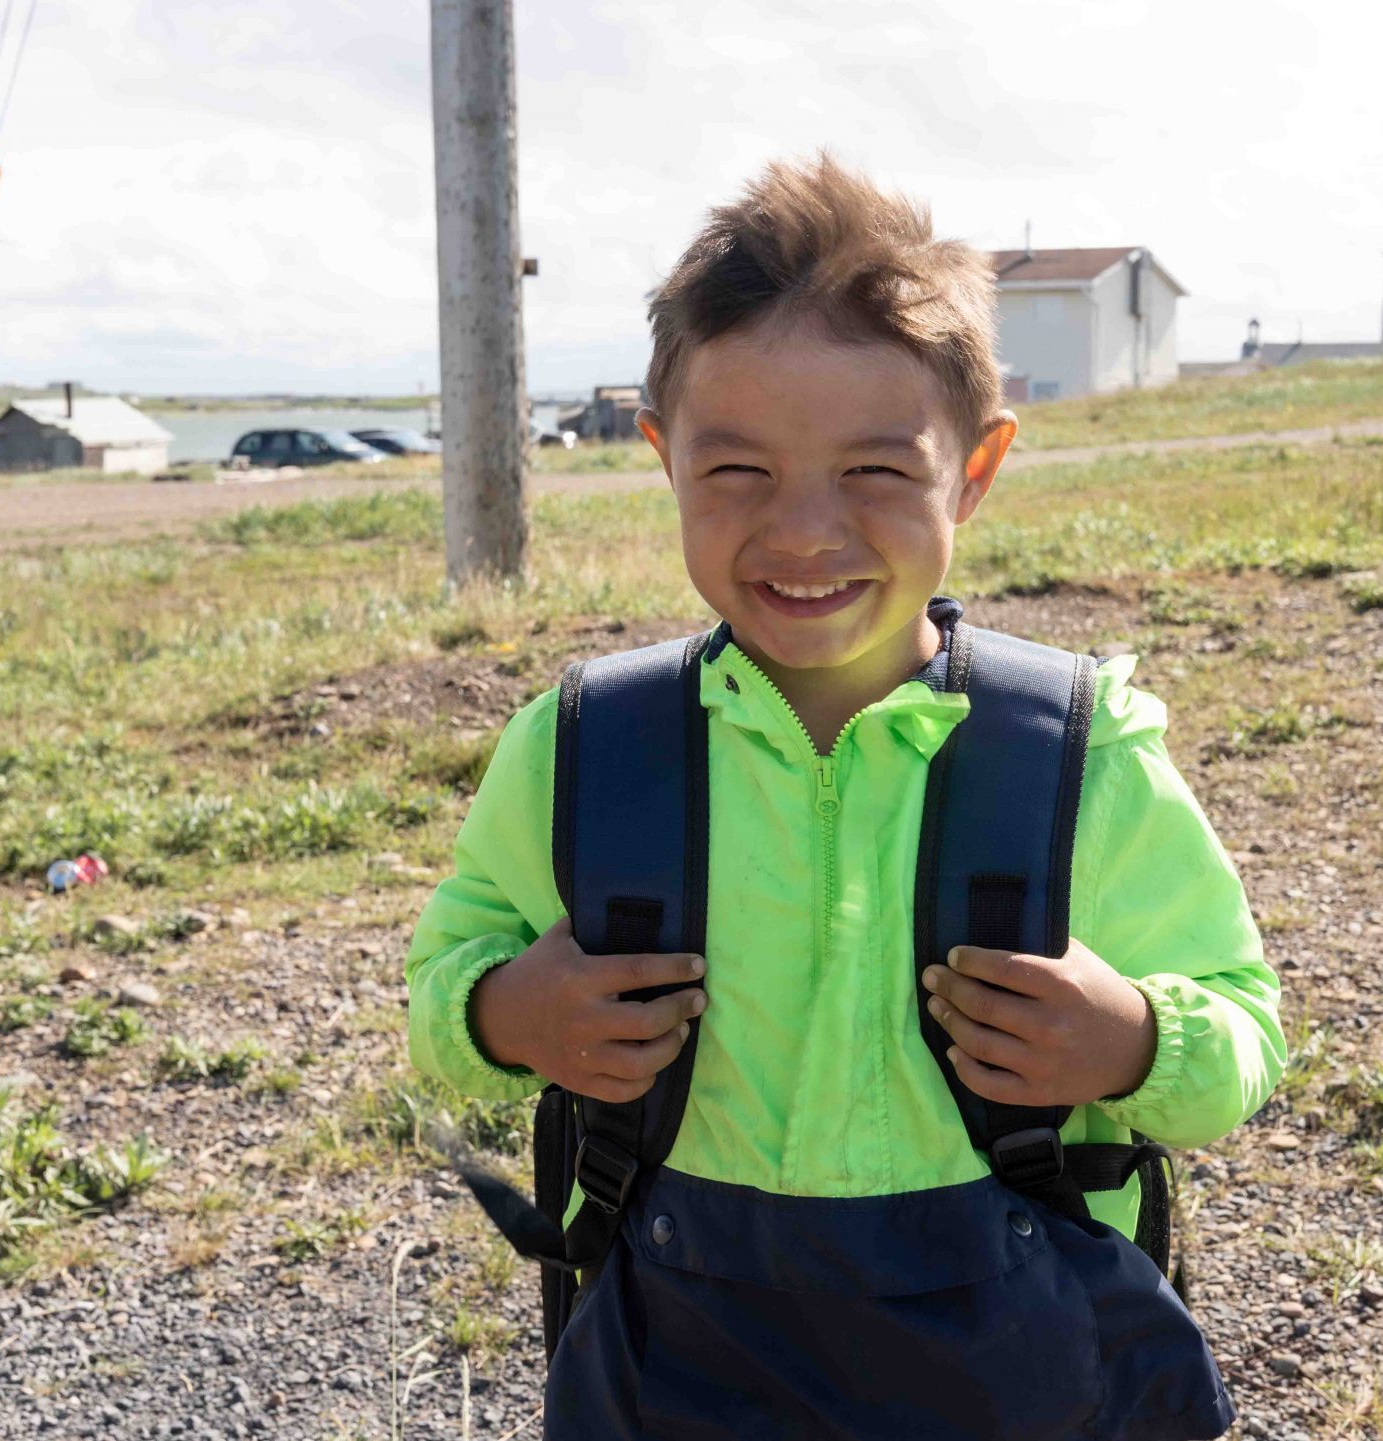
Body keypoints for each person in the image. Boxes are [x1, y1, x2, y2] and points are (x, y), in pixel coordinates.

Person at [405, 152, 1287, 1440]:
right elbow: (444, 991)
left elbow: (1249, 1029)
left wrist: (1138, 1042)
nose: (805, 531)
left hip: (1016, 1363)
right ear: (663, 459)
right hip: (684, 1359)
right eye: (739, 472)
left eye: (875, 471)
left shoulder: (1076, 757)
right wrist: (504, 1012)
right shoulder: (587, 749)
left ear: (975, 472)